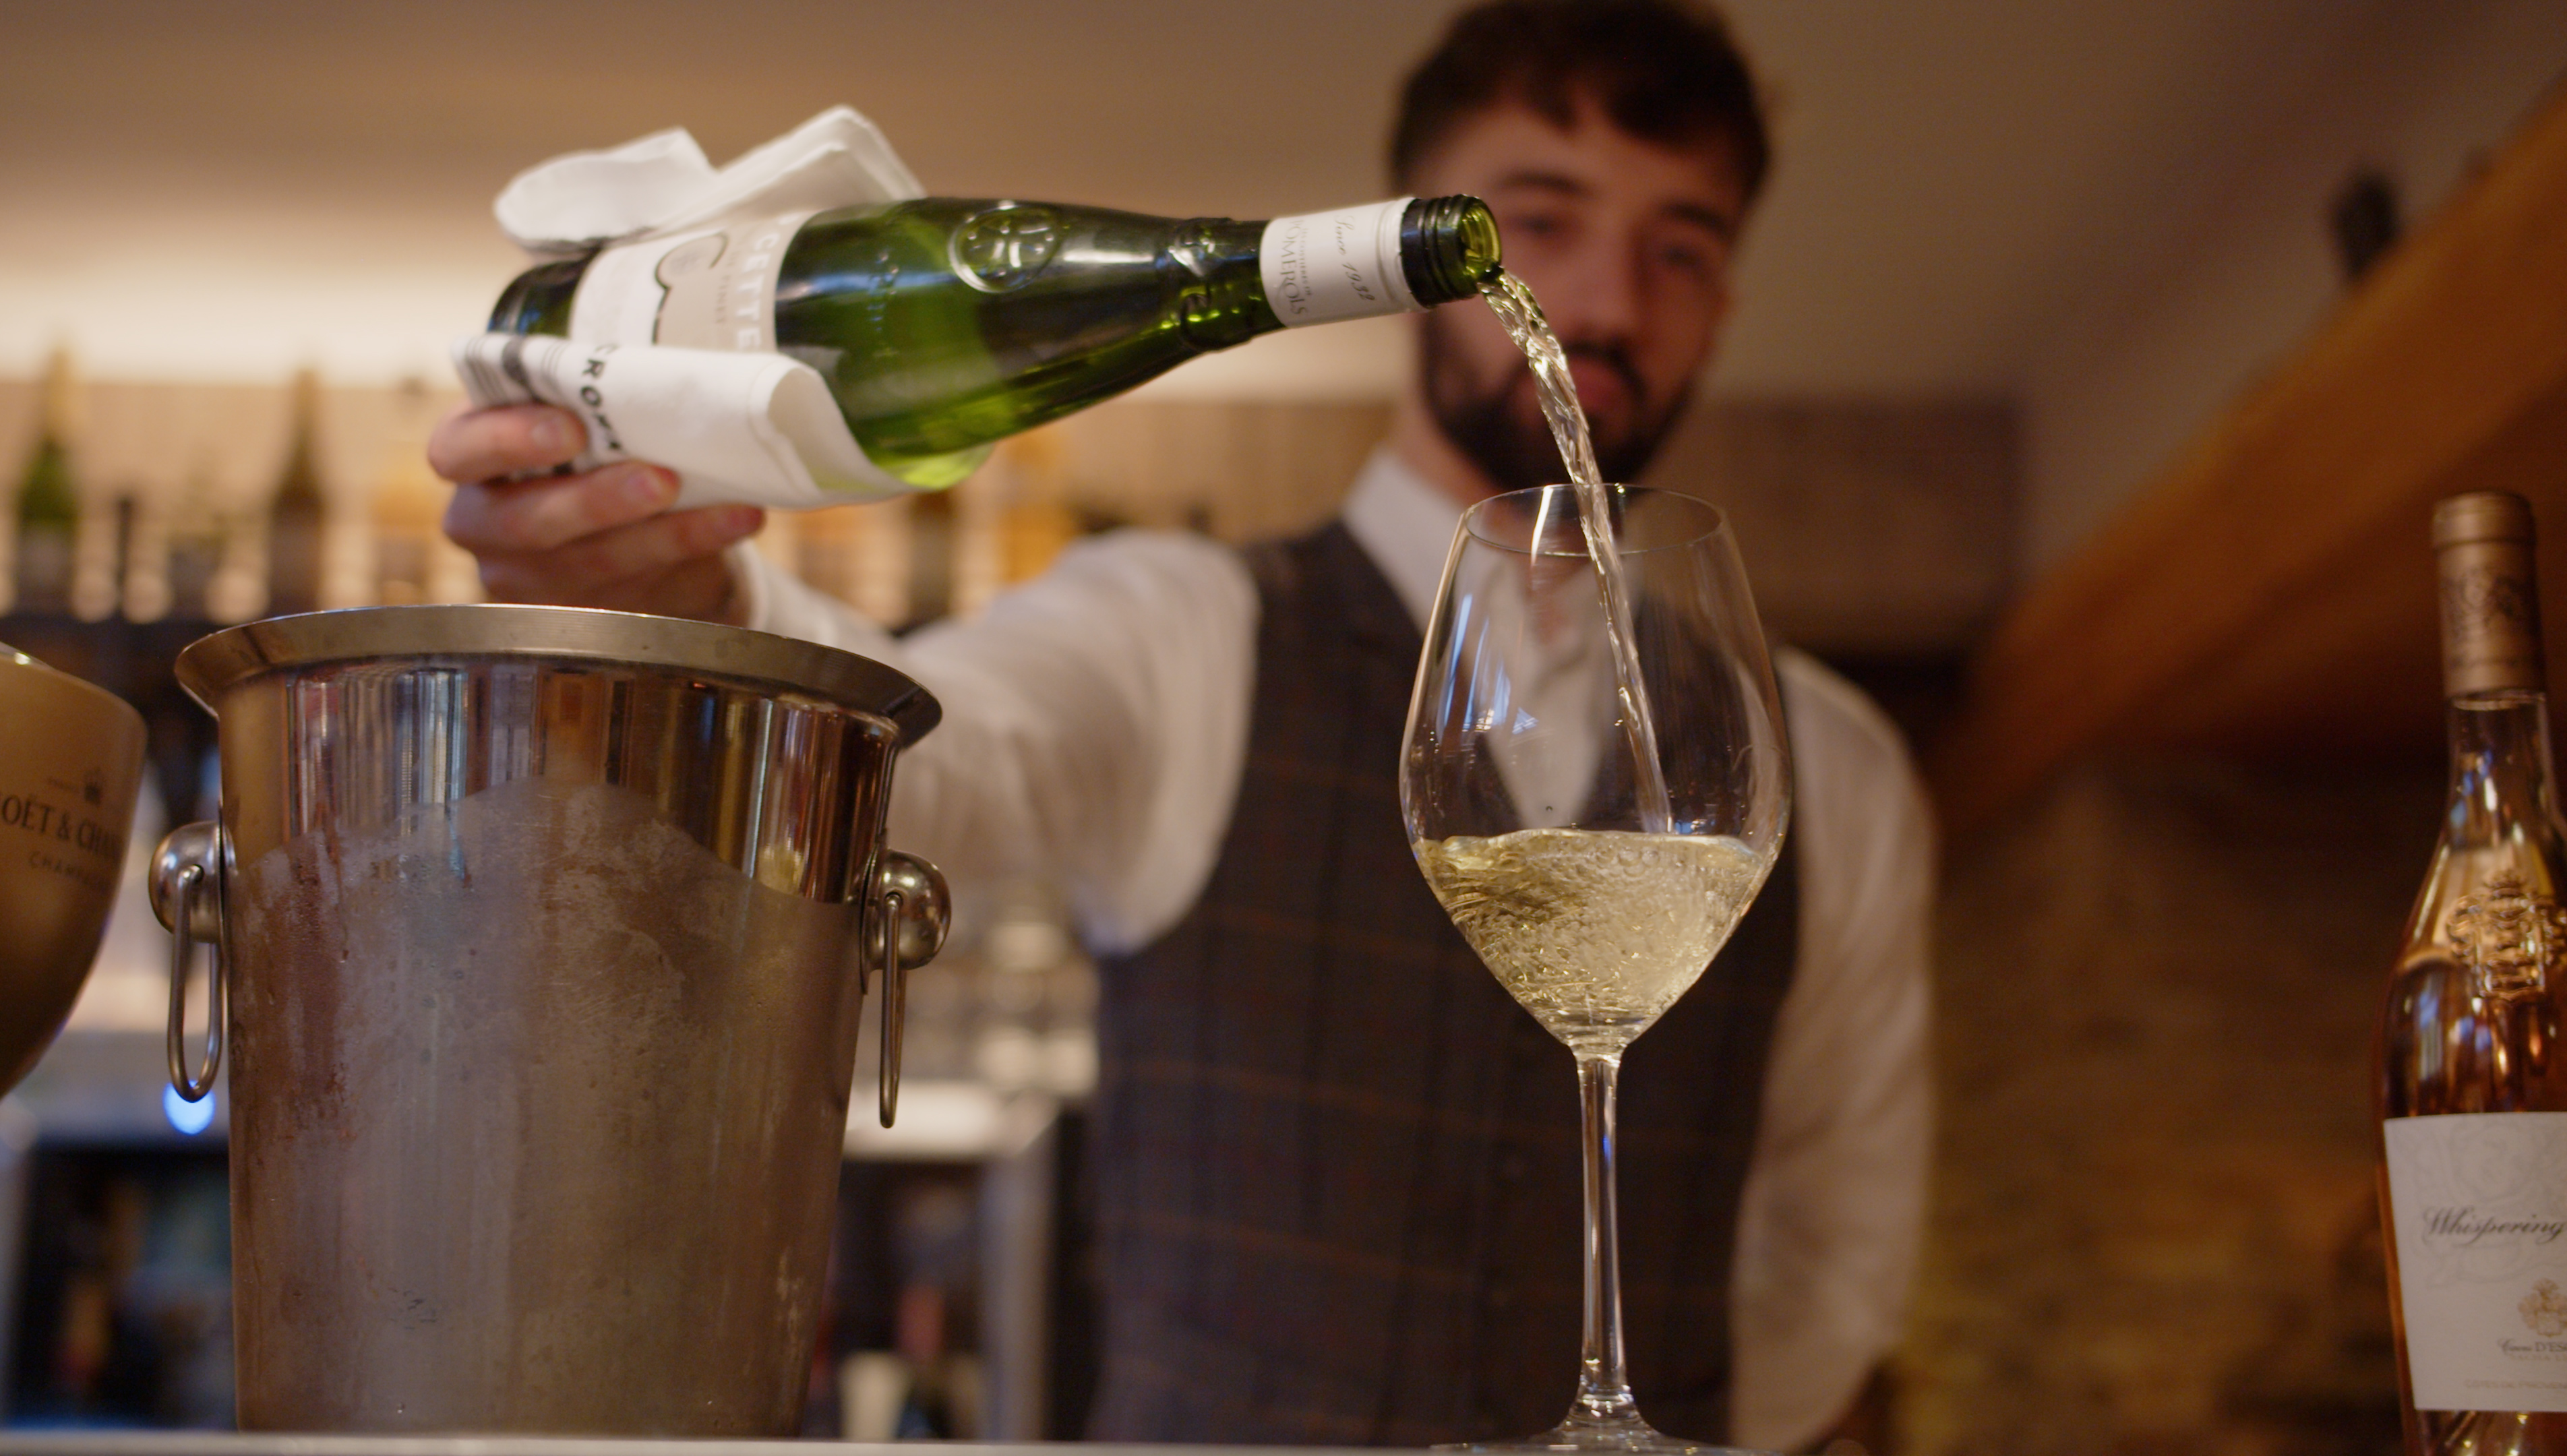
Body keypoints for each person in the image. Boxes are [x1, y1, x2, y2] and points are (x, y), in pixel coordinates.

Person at [427, 1, 1931, 1448]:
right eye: (1540, 222)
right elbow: (926, 766)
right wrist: (696, 594)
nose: (1604, 305)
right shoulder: (1182, 628)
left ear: (1726, 301)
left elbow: (1835, 1265)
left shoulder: (1828, 768)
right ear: (1422, 239)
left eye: (1679, 250)